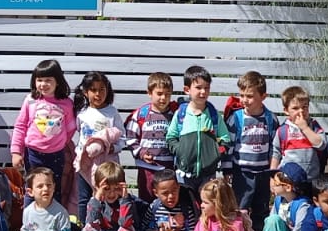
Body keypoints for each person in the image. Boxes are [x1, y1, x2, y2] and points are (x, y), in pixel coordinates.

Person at [9, 59, 77, 205]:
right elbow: (20, 126)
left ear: (57, 81)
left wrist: (60, 142)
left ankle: (54, 223)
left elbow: (71, 128)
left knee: (53, 188)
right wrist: (16, 152)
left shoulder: (66, 103)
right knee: (33, 187)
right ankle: (28, 223)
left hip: (56, 155)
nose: (43, 84)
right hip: (33, 154)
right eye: (39, 80)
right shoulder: (31, 100)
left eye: (48, 80)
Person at [225, 70, 281, 231]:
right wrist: (227, 169)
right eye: (242, 95)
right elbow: (228, 145)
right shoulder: (236, 118)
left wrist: (273, 172)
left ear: (263, 96)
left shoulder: (271, 119)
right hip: (242, 172)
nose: (244, 100)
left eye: (249, 96)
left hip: (263, 172)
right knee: (240, 208)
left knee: (261, 208)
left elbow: (274, 147)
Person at [164, 65, 230, 191]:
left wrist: (216, 152)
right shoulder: (181, 114)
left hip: (208, 175)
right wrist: (180, 151)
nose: (203, 92)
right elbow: (171, 137)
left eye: (206, 88)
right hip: (184, 174)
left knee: (207, 206)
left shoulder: (214, 114)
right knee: (186, 206)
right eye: (198, 88)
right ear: (187, 89)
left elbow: (225, 138)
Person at [72, 71, 121, 217]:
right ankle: (83, 229)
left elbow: (121, 136)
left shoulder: (112, 113)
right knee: (84, 198)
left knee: (108, 197)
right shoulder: (82, 113)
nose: (98, 94)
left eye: (102, 89)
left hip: (107, 166)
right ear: (86, 92)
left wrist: (113, 147)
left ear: (108, 91)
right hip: (85, 164)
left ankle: (107, 226)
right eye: (93, 90)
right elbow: (80, 135)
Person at [124, 72, 177, 200]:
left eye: (167, 94)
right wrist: (141, 152)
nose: (163, 98)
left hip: (169, 167)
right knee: (146, 199)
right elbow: (130, 138)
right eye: (159, 94)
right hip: (147, 168)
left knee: (168, 200)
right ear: (149, 93)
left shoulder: (176, 114)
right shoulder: (141, 114)